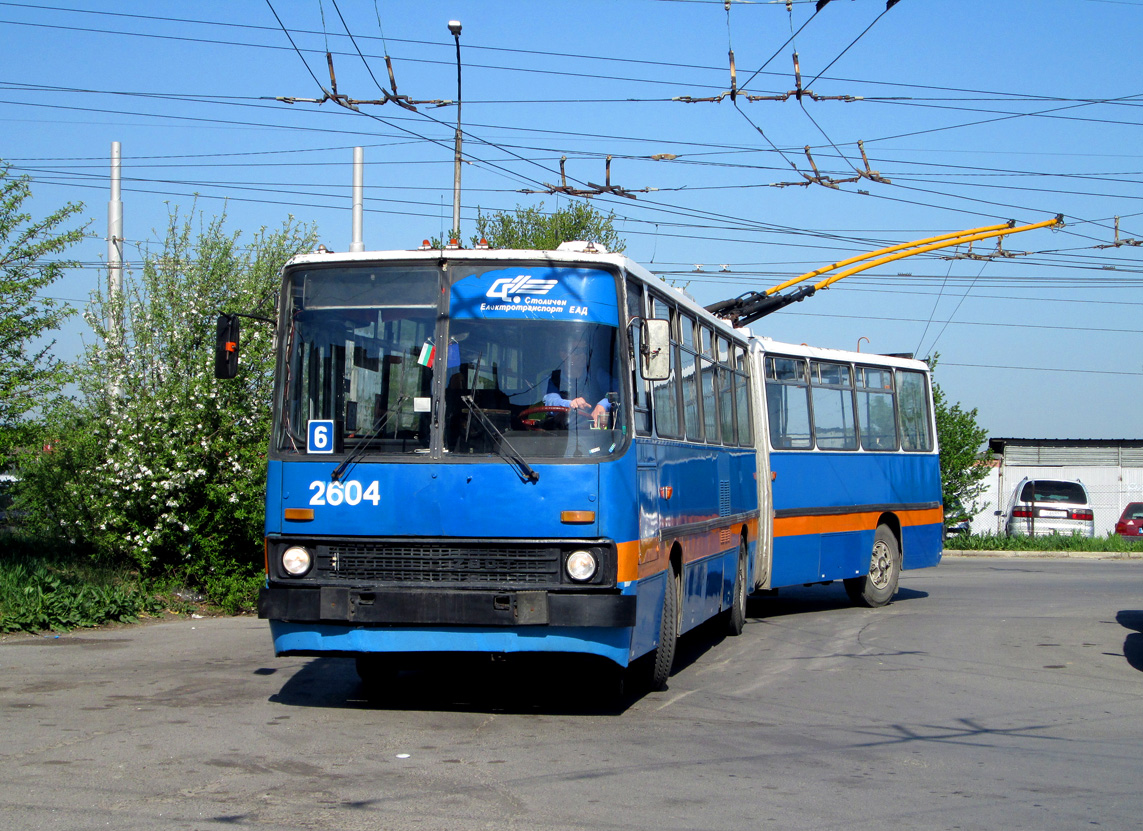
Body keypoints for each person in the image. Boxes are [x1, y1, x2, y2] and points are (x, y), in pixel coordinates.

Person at [542, 338, 616, 453]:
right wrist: (570, 404)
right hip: (559, 436)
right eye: (577, 351)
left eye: (584, 351)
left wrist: (603, 404)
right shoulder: (551, 378)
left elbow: (622, 392)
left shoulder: (597, 375)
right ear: (563, 355)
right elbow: (550, 401)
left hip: (592, 438)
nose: (582, 355)